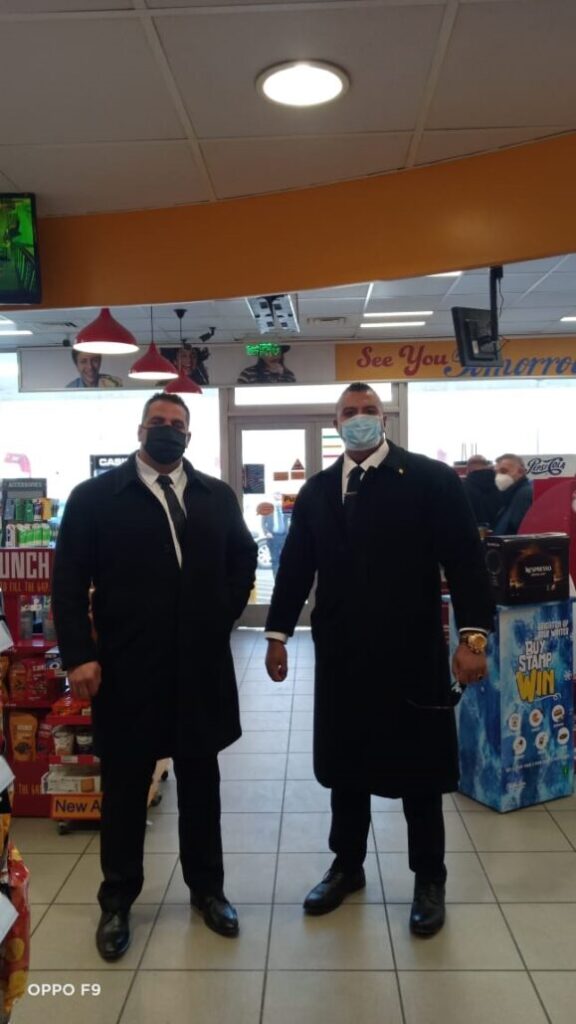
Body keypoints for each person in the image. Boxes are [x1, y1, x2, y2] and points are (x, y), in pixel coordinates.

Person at [265, 382, 494, 937]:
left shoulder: (430, 480)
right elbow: (296, 566)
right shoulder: (319, 490)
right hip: (342, 654)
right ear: (336, 423)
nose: (359, 418)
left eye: (369, 410)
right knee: (347, 766)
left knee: (420, 771)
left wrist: (472, 640)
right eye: (350, 412)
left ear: (384, 418)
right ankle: (347, 866)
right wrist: (276, 634)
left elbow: (465, 561)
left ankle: (429, 878)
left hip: (410, 650)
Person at [52, 393, 257, 961]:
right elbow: (67, 582)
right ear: (140, 430)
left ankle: (208, 891)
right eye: (158, 422)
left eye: (177, 424)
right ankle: (117, 901)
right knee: (124, 790)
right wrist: (79, 655)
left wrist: (222, 612)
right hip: (127, 666)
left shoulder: (216, 495)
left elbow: (243, 556)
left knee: (201, 784)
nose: (168, 430)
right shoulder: (96, 498)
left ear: (189, 435)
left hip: (200, 666)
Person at [492, 453, 533, 534]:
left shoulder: (525, 495)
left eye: (503, 471)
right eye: (496, 473)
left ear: (521, 472)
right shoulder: (511, 494)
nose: (498, 476)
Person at [461, 456, 500, 531]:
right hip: (499, 531)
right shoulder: (501, 484)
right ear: (486, 466)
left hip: (473, 531)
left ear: (468, 470)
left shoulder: (463, 487)